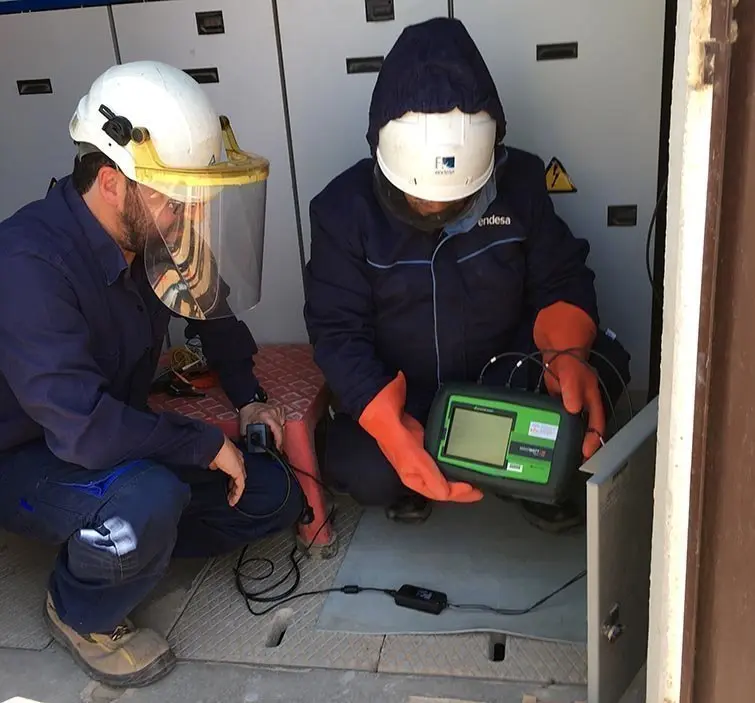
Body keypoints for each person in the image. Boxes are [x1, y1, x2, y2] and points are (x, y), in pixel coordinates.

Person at [0, 61, 304, 688]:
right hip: (29, 455)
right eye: (175, 197)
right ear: (113, 181)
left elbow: (211, 309)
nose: (187, 212)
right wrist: (199, 444)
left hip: (113, 438)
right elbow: (81, 427)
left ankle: (128, 541)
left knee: (272, 492)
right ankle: (80, 607)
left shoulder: (150, 229)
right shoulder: (29, 263)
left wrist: (247, 400)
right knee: (148, 500)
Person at [304, 17, 631, 530]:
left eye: (455, 203)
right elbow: (337, 330)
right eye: (420, 202)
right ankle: (443, 469)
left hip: (506, 380)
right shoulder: (342, 212)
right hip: (406, 391)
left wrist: (567, 354)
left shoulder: (519, 181)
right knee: (364, 469)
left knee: (596, 390)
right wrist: (385, 421)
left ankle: (533, 483)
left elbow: (561, 276)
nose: (437, 213)